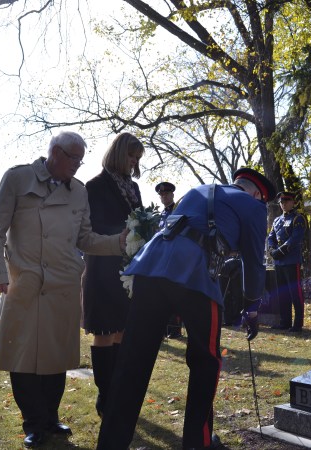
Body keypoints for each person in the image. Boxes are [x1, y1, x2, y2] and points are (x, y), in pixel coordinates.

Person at [96, 168, 276, 450]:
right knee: (206, 361)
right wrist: (252, 306)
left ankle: (111, 444)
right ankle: (198, 442)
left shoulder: (199, 191)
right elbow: (253, 261)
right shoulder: (253, 207)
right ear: (257, 194)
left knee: (132, 360)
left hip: (151, 268)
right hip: (195, 275)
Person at [0, 131, 127, 449]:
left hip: (63, 284)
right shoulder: (17, 178)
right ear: (56, 153)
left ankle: (50, 418)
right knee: (22, 357)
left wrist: (119, 242)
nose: (78, 165)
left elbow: (86, 239)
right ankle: (33, 424)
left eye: (81, 159)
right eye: (74, 158)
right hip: (25, 282)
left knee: (56, 358)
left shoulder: (78, 192)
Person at [81, 132, 144, 419]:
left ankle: (118, 391)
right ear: (119, 153)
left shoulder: (134, 188)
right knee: (104, 332)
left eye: (137, 158)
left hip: (127, 269)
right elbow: (94, 225)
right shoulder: (94, 186)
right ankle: (105, 395)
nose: (133, 163)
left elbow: (140, 219)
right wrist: (127, 231)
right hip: (102, 267)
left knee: (123, 330)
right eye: (131, 156)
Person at [267, 191, 307, 332]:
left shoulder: (298, 218)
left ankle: (298, 324)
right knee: (282, 293)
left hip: (291, 260)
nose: (283, 204)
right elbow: (271, 237)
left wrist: (281, 250)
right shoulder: (277, 220)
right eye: (281, 202)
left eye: (286, 201)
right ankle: (285, 322)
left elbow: (295, 238)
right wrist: (272, 250)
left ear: (293, 202)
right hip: (279, 262)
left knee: (295, 293)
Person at [155, 181, 183, 338]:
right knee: (163, 294)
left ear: (172, 194)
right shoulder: (160, 215)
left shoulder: (179, 211)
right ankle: (165, 327)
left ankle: (175, 328)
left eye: (166, 194)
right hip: (161, 258)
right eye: (162, 195)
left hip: (174, 258)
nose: (164, 196)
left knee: (174, 293)